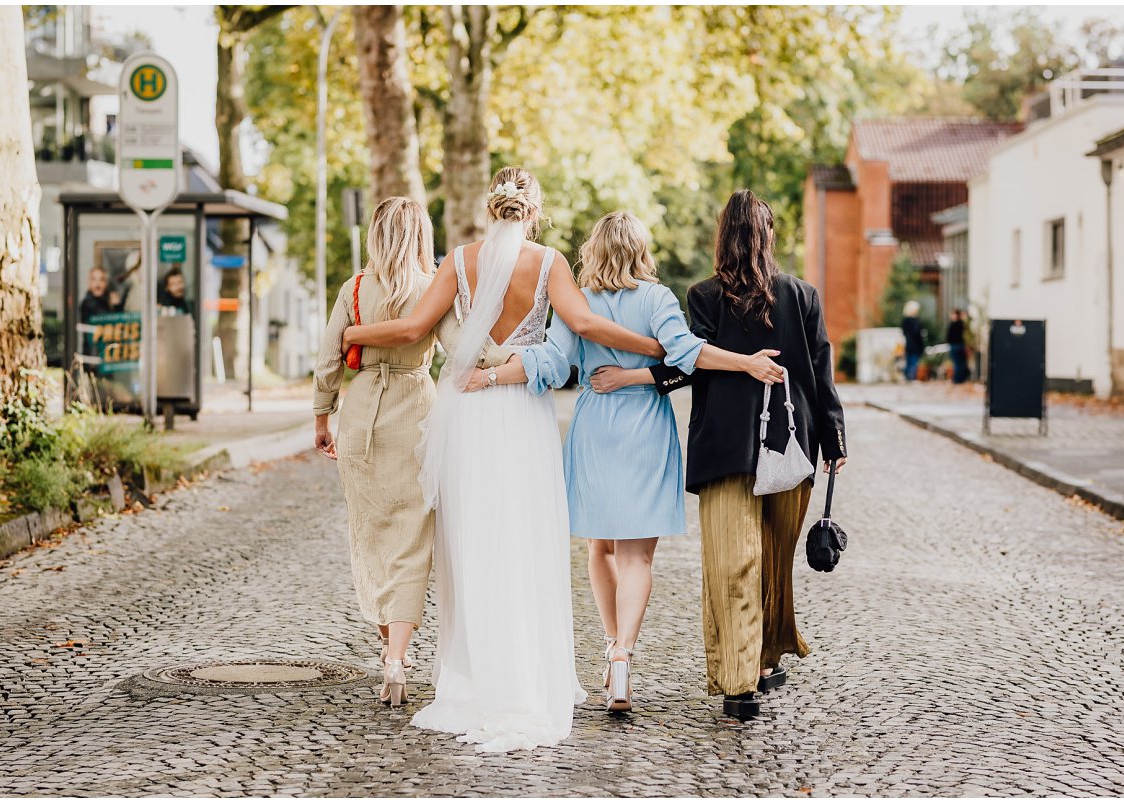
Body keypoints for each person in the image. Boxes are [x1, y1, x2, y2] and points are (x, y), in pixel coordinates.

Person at [339, 167, 665, 751]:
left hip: (469, 412)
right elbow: (586, 323)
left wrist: (354, 331)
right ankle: (527, 676)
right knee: (526, 539)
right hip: (522, 409)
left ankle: (474, 678)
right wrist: (655, 347)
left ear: (491, 209)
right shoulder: (548, 263)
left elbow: (414, 326)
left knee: (473, 542)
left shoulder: (460, 261)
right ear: (534, 211)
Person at [470, 211, 785, 713]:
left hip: (595, 427)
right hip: (646, 428)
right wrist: (745, 362)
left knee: (601, 549)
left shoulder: (578, 300)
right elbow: (686, 355)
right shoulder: (658, 299)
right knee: (637, 556)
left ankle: (613, 650)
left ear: (593, 250)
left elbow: (551, 364)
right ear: (641, 250)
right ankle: (623, 656)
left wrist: (489, 376)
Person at [587, 191, 847, 718]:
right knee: (770, 561)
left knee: (734, 563)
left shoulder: (704, 296)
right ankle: (755, 665)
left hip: (725, 448)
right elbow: (821, 376)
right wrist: (834, 441)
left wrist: (632, 379)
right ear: (769, 234)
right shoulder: (803, 295)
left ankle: (742, 678)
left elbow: (686, 365)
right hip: (791, 449)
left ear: (722, 236)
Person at [313, 197, 516, 708]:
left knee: (373, 535)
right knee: (411, 538)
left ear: (376, 235)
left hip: (360, 417)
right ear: (422, 236)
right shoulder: (432, 288)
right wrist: (511, 358)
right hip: (418, 417)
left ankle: (388, 644)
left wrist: (322, 417)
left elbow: (328, 358)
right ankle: (398, 659)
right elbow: (461, 344)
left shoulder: (354, 289)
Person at [901, 300, 924, 381]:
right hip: (912, 344)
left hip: (912, 344)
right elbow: (915, 332)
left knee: (911, 361)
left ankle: (909, 377)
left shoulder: (913, 320)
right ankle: (910, 377)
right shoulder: (911, 321)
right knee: (912, 361)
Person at [946, 308, 968, 384]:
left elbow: (949, 336)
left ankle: (957, 379)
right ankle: (960, 379)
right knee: (960, 363)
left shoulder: (954, 324)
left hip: (956, 345)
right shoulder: (961, 324)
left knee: (957, 363)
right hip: (959, 345)